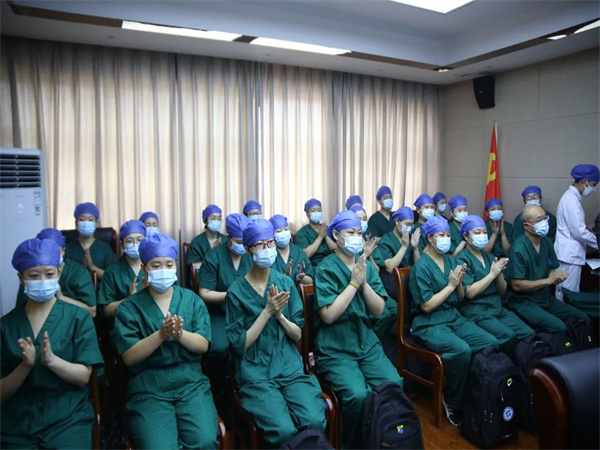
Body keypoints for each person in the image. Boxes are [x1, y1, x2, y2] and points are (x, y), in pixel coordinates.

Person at [226, 219, 327, 446]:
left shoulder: (285, 283)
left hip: (289, 368)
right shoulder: (236, 292)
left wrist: (280, 316)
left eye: (270, 243)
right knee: (283, 429)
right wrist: (267, 312)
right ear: (249, 250)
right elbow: (239, 346)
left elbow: (297, 335)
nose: (267, 249)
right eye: (260, 245)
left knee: (313, 420)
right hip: (256, 374)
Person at [113, 233, 218, 449]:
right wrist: (160, 335)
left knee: (205, 441)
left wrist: (180, 335)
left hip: (190, 383)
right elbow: (129, 357)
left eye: (169, 264)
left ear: (176, 266)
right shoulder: (129, 308)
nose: (163, 270)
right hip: (149, 388)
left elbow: (203, 345)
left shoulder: (191, 300)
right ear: (145, 269)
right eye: (156, 265)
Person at [313, 210, 404, 448]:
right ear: (336, 235)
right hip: (336, 347)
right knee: (357, 395)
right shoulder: (325, 269)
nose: (356, 237)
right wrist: (353, 283)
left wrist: (363, 283)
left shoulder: (366, 267)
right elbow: (328, 316)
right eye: (350, 232)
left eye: (358, 233)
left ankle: (383, 439)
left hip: (365, 342)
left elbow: (378, 309)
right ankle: (353, 444)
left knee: (394, 382)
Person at [2, 238, 103, 449]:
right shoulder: (6, 326)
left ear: (58, 273)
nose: (42, 281)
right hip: (18, 422)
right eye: (33, 276)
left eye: (49, 274)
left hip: (67, 417)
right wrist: (24, 367)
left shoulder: (78, 318)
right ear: (21, 278)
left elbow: (84, 377)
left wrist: (52, 361)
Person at [408, 216, 498, 427]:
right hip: (430, 323)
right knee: (461, 349)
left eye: (448, 235)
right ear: (430, 238)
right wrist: (450, 285)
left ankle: (473, 391)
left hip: (453, 316)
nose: (446, 239)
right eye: (441, 235)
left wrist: (458, 285)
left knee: (490, 341)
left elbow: (460, 297)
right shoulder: (421, 267)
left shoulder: (451, 261)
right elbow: (426, 306)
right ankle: (452, 400)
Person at [456, 215, 534, 357]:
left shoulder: (490, 257)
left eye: (484, 232)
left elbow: (502, 290)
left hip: (497, 308)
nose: (482, 235)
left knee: (528, 332)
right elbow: (469, 293)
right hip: (477, 312)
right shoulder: (462, 259)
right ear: (466, 236)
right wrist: (492, 274)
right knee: (508, 335)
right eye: (477, 232)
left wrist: (498, 274)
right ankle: (507, 366)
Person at [506, 205, 590, 333]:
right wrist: (547, 281)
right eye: (539, 220)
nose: (544, 222)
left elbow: (550, 267)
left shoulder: (546, 243)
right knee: (559, 327)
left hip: (545, 298)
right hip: (524, 302)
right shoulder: (518, 249)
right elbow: (517, 285)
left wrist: (556, 275)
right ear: (526, 226)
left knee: (583, 318)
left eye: (545, 218)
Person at [198, 213, 253, 359]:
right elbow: (204, 292)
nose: (243, 246)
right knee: (219, 348)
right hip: (221, 315)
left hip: (248, 313)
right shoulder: (214, 257)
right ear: (228, 236)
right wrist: (231, 294)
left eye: (246, 242)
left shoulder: (251, 254)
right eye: (239, 241)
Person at [16, 228, 97, 316]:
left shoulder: (78, 273)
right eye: (44, 251)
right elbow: (20, 311)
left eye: (54, 251)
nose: (48, 256)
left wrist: (61, 298)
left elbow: (92, 312)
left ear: (63, 251)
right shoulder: (30, 275)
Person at [554, 164, 599, 301]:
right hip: (570, 256)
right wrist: (598, 242)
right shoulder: (571, 200)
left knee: (563, 290)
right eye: (593, 184)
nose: (594, 188)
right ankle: (568, 315)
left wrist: (585, 227)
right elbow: (579, 232)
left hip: (568, 254)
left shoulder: (571, 197)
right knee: (569, 293)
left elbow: (575, 226)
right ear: (584, 181)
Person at [98, 220, 147, 319]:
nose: (135, 244)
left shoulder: (154, 267)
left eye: (139, 240)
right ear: (122, 245)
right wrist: (130, 300)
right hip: (123, 323)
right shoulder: (112, 272)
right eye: (129, 241)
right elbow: (107, 311)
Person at [65, 202, 115, 279]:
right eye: (82, 219)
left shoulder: (105, 249)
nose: (86, 223)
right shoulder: (69, 249)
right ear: (76, 223)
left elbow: (112, 277)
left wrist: (92, 267)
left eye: (90, 219)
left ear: (96, 223)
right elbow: (65, 278)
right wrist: (82, 267)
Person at [269, 214, 313, 285]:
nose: (284, 233)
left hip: (295, 292)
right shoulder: (269, 255)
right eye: (279, 231)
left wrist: (302, 278)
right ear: (272, 235)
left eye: (286, 229)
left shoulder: (298, 252)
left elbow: (310, 281)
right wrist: (284, 278)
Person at [295, 198, 336, 267]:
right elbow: (305, 255)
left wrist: (325, 236)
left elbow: (336, 250)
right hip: (313, 267)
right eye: (313, 211)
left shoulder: (327, 229)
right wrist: (320, 238)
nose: (316, 213)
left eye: (319, 210)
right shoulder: (302, 233)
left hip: (330, 265)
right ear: (307, 214)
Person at [349, 205, 379, 271]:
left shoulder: (368, 242)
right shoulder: (349, 243)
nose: (362, 222)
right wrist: (365, 254)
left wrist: (369, 255)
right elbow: (350, 270)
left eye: (364, 219)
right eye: (358, 219)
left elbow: (377, 271)